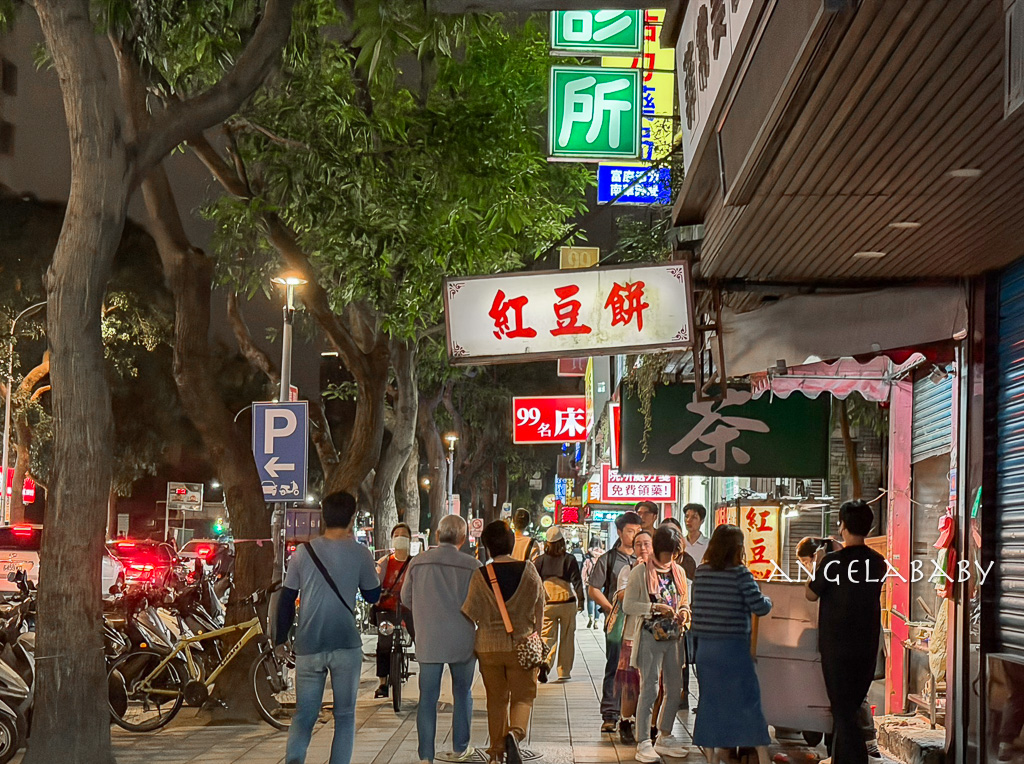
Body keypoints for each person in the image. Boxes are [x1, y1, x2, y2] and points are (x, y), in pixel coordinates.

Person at [275, 491, 381, 764]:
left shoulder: (303, 552)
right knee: (345, 715)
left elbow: (287, 598)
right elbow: (372, 595)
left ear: (323, 516)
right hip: (346, 644)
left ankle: (294, 760)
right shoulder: (361, 554)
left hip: (309, 643)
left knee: (305, 714)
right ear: (352, 518)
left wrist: (280, 638)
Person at [806, 501, 887, 764]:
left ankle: (853, 760)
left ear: (841, 525)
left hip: (836, 645)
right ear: (870, 526)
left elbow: (810, 594)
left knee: (842, 710)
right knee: (850, 707)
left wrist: (817, 566)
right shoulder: (878, 563)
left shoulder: (831, 562)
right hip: (866, 645)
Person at [463, 521, 546, 764]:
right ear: (511, 543)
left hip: (488, 648)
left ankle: (496, 754)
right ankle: (515, 733)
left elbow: (471, 612)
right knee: (522, 697)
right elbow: (541, 604)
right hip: (522, 644)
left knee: (496, 699)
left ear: (487, 547)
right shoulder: (528, 569)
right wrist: (537, 635)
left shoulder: (480, 575)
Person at [690, 524, 773, 764]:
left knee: (711, 702)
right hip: (733, 650)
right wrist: (767, 598)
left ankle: (713, 758)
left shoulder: (701, 572)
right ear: (737, 548)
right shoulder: (740, 574)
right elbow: (760, 607)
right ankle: (762, 755)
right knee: (747, 700)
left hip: (705, 650)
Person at [404, 515, 481, 764]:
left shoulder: (418, 563)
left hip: (429, 639)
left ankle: (426, 755)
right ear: (462, 538)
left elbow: (406, 598)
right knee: (462, 692)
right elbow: (481, 605)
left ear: (437, 536)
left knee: (427, 697)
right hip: (463, 639)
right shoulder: (473, 566)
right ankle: (460, 747)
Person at [623, 526, 691, 762]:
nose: (671, 558)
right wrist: (654, 608)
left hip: (674, 637)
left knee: (675, 688)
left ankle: (665, 734)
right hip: (650, 635)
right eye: (668, 553)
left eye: (674, 553)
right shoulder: (640, 571)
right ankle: (643, 740)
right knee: (650, 688)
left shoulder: (678, 572)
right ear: (659, 549)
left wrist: (683, 611)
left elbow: (684, 599)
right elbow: (628, 605)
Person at [588, 511, 643, 734]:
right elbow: (594, 589)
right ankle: (610, 714)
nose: (634, 536)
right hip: (617, 623)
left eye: (638, 531)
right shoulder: (608, 559)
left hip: (640, 622)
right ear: (619, 532)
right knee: (615, 665)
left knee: (637, 667)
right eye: (630, 531)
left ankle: (634, 713)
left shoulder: (646, 559)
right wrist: (613, 610)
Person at [614, 528, 653, 746]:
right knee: (630, 683)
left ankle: (648, 725)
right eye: (638, 544)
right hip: (631, 634)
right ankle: (625, 722)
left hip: (655, 635)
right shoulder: (628, 571)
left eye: (647, 544)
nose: (643, 548)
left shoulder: (661, 571)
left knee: (651, 682)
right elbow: (623, 599)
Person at [534, 526, 584, 681]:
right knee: (567, 637)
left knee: (547, 636)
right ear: (562, 541)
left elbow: (535, 582)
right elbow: (577, 581)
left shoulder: (540, 561)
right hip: (567, 602)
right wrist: (581, 600)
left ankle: (545, 663)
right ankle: (564, 672)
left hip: (548, 604)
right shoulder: (569, 559)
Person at [373, 523, 415, 699]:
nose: (400, 538)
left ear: (410, 540)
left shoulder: (415, 563)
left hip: (408, 609)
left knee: (418, 635)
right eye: (397, 535)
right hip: (387, 611)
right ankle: (382, 683)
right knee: (384, 644)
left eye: (404, 535)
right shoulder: (384, 562)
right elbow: (375, 583)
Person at [581, 540, 604, 629]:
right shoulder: (603, 557)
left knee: (590, 601)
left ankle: (590, 617)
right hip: (600, 583)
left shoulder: (588, 558)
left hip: (589, 582)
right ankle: (596, 621)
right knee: (598, 602)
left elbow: (584, 571)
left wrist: (584, 581)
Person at [682, 503, 709, 567]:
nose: (688, 520)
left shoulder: (708, 544)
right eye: (686, 516)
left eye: (694, 517)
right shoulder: (681, 543)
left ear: (702, 521)